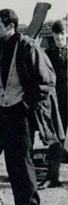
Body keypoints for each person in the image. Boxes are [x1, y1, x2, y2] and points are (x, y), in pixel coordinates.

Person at [0, 9, 60, 205]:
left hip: (22, 114)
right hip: (3, 112)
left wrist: (27, 103)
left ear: (10, 26)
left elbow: (47, 81)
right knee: (12, 162)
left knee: (24, 162)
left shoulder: (28, 46)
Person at [39, 19, 67, 190]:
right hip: (56, 105)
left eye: (62, 33)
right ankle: (52, 177)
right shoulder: (47, 55)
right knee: (55, 141)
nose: (59, 37)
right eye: (56, 33)